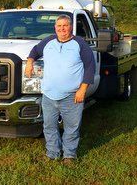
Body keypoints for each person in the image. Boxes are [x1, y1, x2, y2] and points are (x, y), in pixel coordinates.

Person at [25, 14, 95, 163]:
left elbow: (90, 67)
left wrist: (82, 89)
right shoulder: (48, 41)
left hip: (72, 96)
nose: (62, 29)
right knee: (49, 127)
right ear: (55, 28)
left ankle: (69, 155)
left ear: (71, 27)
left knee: (72, 127)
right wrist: (30, 62)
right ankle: (52, 154)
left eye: (65, 25)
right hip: (49, 95)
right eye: (59, 26)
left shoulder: (80, 44)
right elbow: (35, 51)